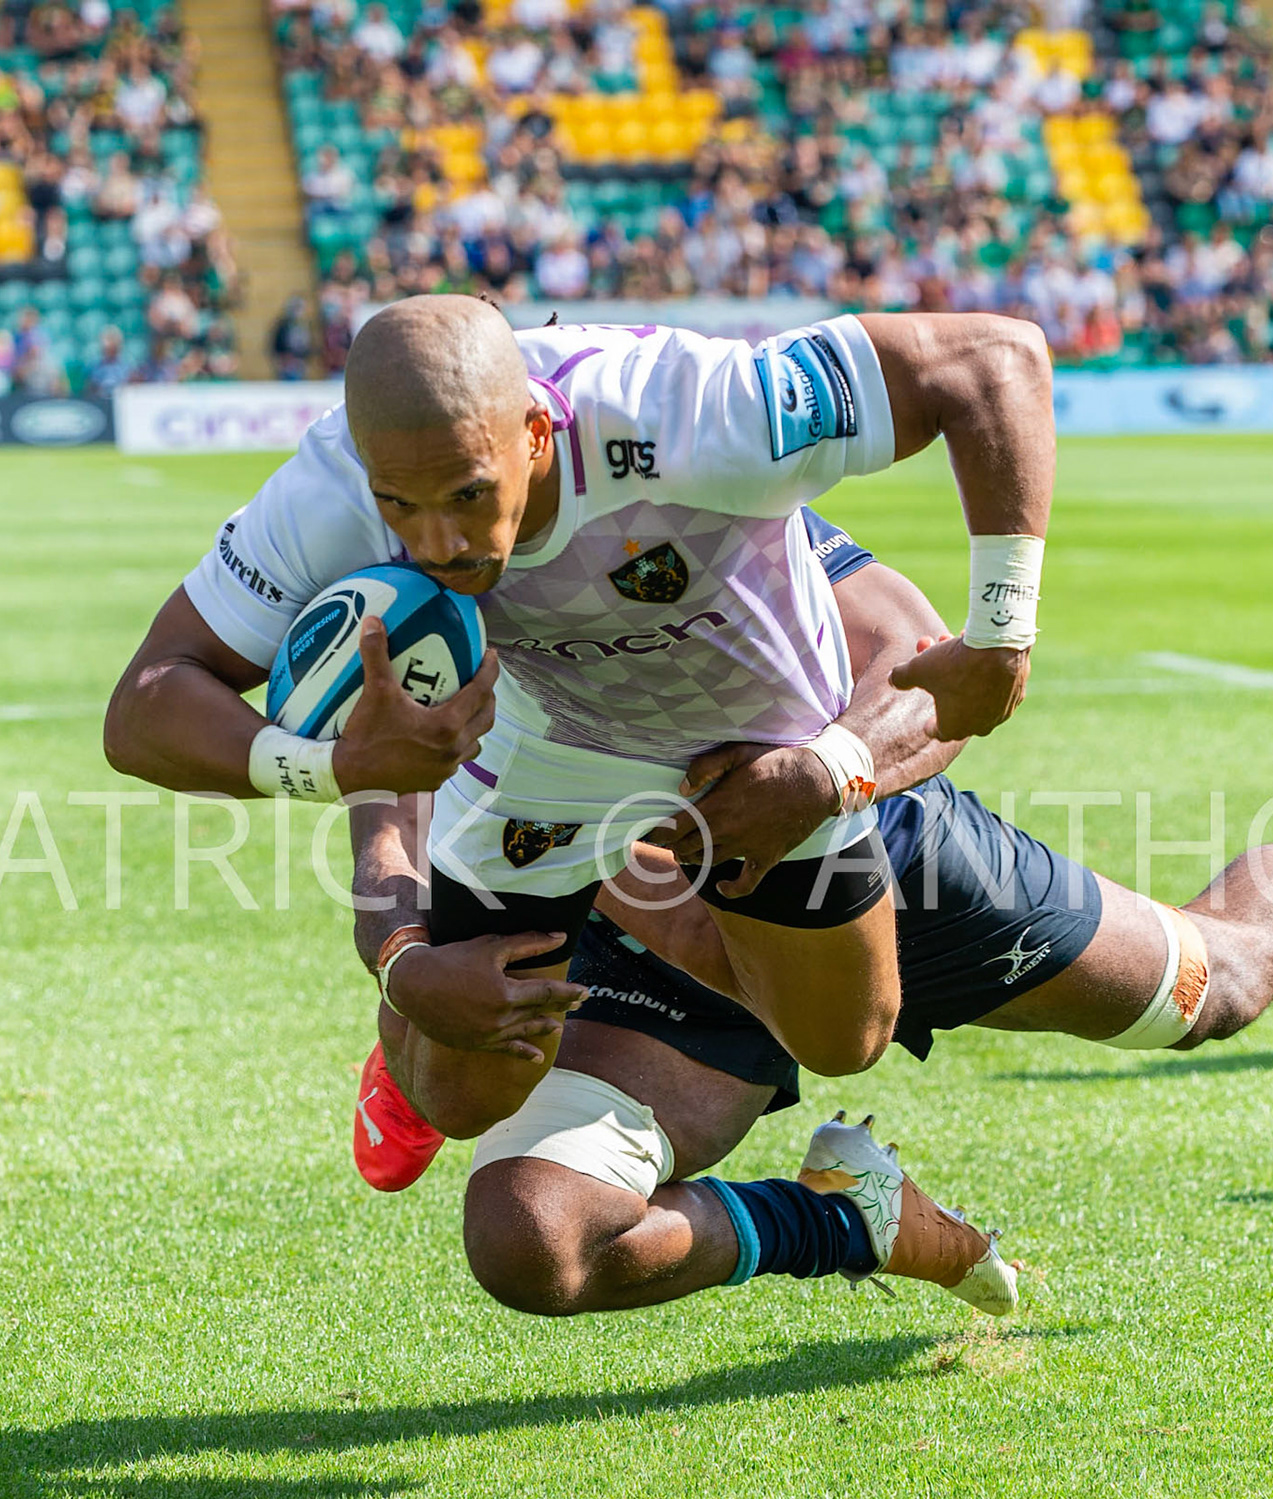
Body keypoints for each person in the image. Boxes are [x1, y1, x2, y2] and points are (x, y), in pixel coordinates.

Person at [349, 546, 1273, 1320]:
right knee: (532, 1243)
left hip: (856, 861)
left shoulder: (678, 475)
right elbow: (379, 766)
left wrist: (824, 774)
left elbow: (923, 661)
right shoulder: (417, 550)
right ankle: (844, 1216)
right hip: (632, 945)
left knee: (1216, 987)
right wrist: (407, 950)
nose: (457, 524)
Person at [103, 297, 1052, 1171]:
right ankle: (444, 1006)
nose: (436, 543)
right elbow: (144, 704)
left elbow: (991, 359)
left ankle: (655, 920)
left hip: (758, 729)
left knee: (844, 1037)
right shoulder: (331, 490)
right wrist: (330, 769)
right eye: (400, 505)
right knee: (462, 1090)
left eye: (469, 494)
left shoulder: (696, 411)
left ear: (535, 431)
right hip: (550, 742)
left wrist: (1002, 636)